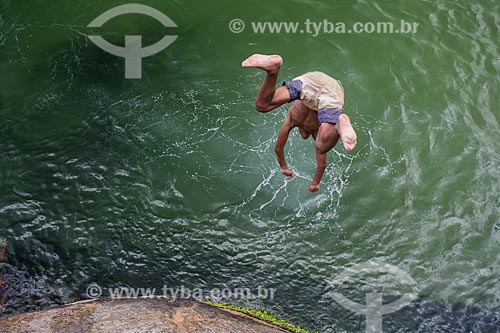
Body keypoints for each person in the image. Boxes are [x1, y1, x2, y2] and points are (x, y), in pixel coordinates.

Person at [242, 54, 357, 192]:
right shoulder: (295, 120)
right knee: (262, 105)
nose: (304, 136)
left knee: (320, 146)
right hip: (315, 82)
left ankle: (340, 123)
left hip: (318, 84)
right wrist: (314, 182)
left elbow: (279, 148)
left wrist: (286, 168)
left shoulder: (302, 124)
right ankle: (272, 70)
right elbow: (280, 149)